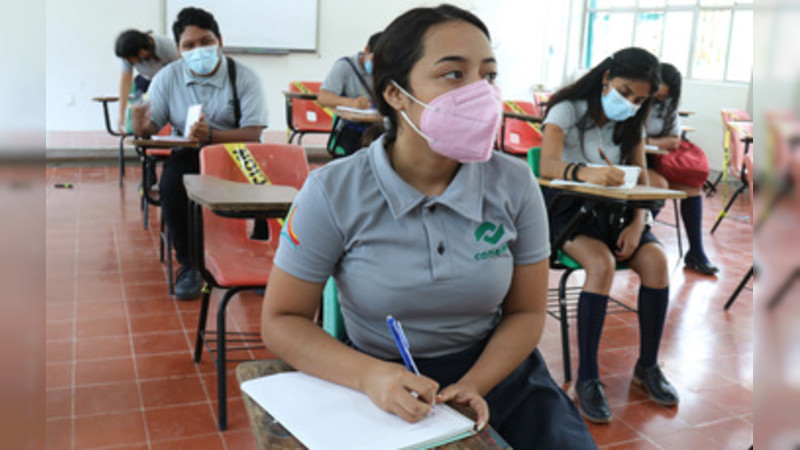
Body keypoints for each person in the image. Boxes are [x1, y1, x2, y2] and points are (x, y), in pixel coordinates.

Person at [261, 5, 596, 448]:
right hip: (377, 381)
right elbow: (282, 320)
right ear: (396, 94)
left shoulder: (514, 184)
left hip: (498, 373)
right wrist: (370, 376)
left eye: (488, 75)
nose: (480, 92)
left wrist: (476, 383)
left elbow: (526, 312)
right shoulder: (333, 191)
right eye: (454, 75)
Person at [540, 47, 680, 424]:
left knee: (656, 261)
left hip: (618, 213)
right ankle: (588, 377)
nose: (630, 103)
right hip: (568, 210)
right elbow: (547, 163)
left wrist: (638, 224)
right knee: (600, 263)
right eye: (624, 92)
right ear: (606, 77)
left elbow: (643, 181)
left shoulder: (631, 121)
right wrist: (587, 173)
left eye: (639, 99)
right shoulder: (567, 108)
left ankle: (647, 366)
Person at [131, 7, 268, 300]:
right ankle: (189, 263)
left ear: (220, 40)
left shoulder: (244, 77)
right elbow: (150, 128)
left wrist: (211, 136)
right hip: (190, 150)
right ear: (179, 51)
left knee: (266, 184)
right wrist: (140, 127)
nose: (198, 50)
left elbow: (253, 132)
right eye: (189, 46)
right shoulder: (167, 78)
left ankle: (258, 256)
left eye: (205, 41)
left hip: (235, 149)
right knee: (171, 185)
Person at [646, 63, 718, 275]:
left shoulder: (666, 106)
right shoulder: (636, 100)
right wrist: (655, 142)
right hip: (634, 159)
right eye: (659, 91)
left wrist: (648, 141)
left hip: (658, 159)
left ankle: (696, 252)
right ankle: (641, 234)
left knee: (692, 189)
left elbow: (674, 141)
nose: (660, 97)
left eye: (665, 95)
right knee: (660, 186)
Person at [318, 32, 383, 157]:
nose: (378, 66)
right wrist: (352, 103)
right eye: (376, 60)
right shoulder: (345, 66)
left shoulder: (387, 69)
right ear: (366, 49)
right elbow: (323, 98)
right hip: (352, 129)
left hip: (378, 128)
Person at [114, 29, 179, 133]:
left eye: (131, 59)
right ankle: (143, 135)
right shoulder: (127, 55)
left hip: (171, 81)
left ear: (142, 51)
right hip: (146, 80)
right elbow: (125, 82)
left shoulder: (166, 46)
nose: (130, 62)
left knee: (168, 109)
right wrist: (121, 115)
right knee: (141, 110)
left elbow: (182, 70)